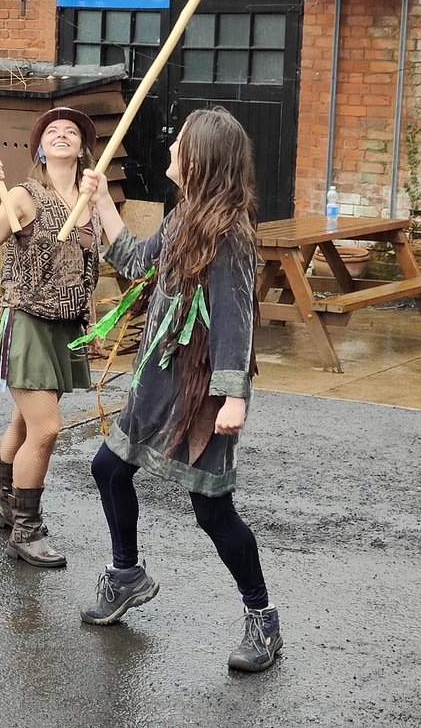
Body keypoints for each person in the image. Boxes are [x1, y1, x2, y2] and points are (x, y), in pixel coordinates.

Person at [74, 107, 281, 673]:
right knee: (108, 468)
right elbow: (137, 260)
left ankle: (261, 617)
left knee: (212, 511)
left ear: (202, 160)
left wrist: (234, 397)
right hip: (156, 378)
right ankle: (126, 573)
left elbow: (237, 319)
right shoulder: (184, 214)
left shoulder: (230, 233)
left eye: (179, 145)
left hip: (201, 392)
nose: (169, 153)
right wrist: (98, 204)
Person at [0, 107, 102, 568]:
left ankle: (7, 506)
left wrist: (89, 321)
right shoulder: (26, 195)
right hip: (25, 320)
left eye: (72, 131)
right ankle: (27, 529)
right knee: (46, 429)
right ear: (40, 148)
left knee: (23, 424)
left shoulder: (89, 201)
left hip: (65, 325)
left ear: (82, 148)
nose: (63, 134)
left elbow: (87, 270)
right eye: (53, 131)